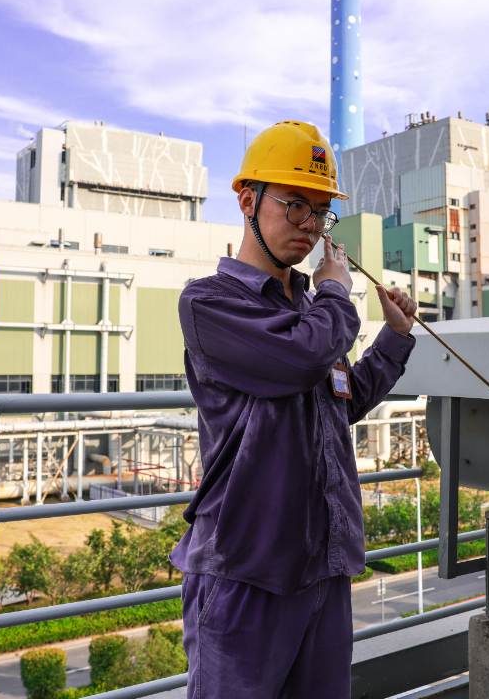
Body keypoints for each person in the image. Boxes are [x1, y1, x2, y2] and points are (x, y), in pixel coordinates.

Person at [170, 121, 419, 698]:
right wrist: (336, 291)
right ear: (247, 200)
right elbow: (300, 361)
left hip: (323, 566)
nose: (309, 225)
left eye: (321, 212)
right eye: (296, 205)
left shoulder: (311, 310)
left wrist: (396, 335)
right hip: (246, 568)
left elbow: (340, 403)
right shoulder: (208, 303)